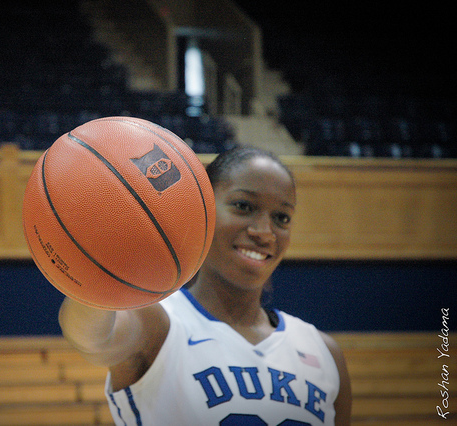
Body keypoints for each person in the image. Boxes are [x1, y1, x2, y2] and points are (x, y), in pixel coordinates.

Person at [58, 145, 352, 425]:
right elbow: (94, 338)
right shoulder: (159, 323)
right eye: (243, 206)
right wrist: (96, 264)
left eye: (281, 217)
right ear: (202, 212)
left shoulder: (324, 352)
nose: (264, 232)